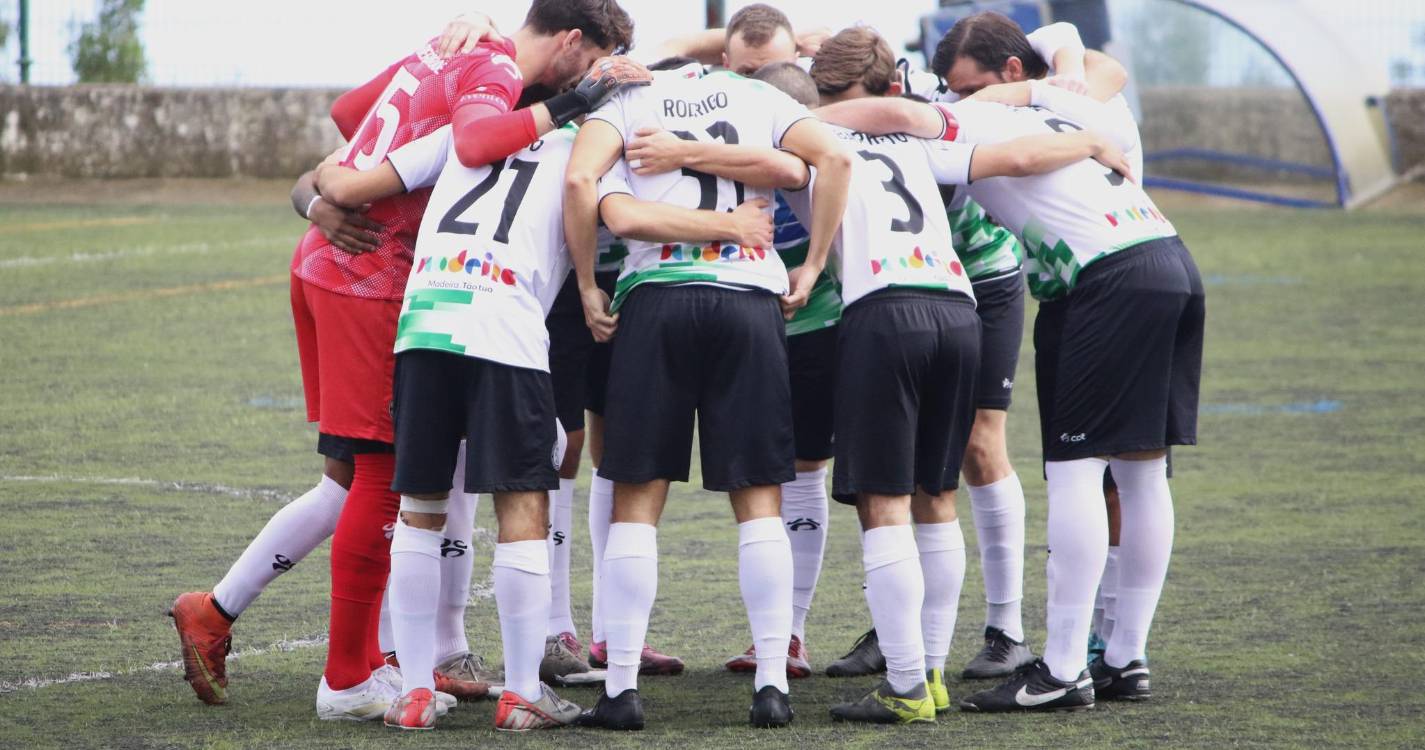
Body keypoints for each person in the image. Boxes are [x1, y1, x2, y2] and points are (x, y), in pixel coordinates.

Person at [819, 40, 1202, 712]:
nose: (957, 94)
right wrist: (1031, 90)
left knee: (1077, 469)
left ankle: (1062, 670)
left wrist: (798, 115)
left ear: (1005, 70)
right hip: (1167, 258)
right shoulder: (1056, 100)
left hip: (1104, 278)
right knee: (1140, 471)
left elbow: (914, 119)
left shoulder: (962, 114)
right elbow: (1085, 52)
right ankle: (1123, 658)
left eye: (967, 83)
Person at [165, 13, 514, 711]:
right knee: (389, 473)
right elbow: (350, 162)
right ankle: (353, 673)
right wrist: (324, 200)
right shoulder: (497, 74)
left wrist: (319, 199)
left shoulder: (449, 54)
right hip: (369, 280)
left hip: (333, 271)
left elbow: (350, 122)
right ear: (572, 44)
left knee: (351, 477)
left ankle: (221, 612)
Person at [563, 59, 852, 730]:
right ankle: (772, 685)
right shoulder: (755, 95)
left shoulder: (629, 101)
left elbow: (581, 181)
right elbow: (834, 159)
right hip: (747, 300)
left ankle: (621, 689)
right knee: (759, 501)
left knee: (637, 502)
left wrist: (585, 284)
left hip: (656, 300)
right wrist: (813, 265)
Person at [643, 5, 836, 676]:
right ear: (724, 66)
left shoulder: (811, 112)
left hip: (808, 314)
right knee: (650, 472)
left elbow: (804, 166)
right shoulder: (716, 99)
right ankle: (620, 639)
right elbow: (667, 46)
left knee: (803, 469)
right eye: (746, 70)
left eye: (772, 69)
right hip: (735, 300)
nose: (759, 82)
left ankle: (790, 634)